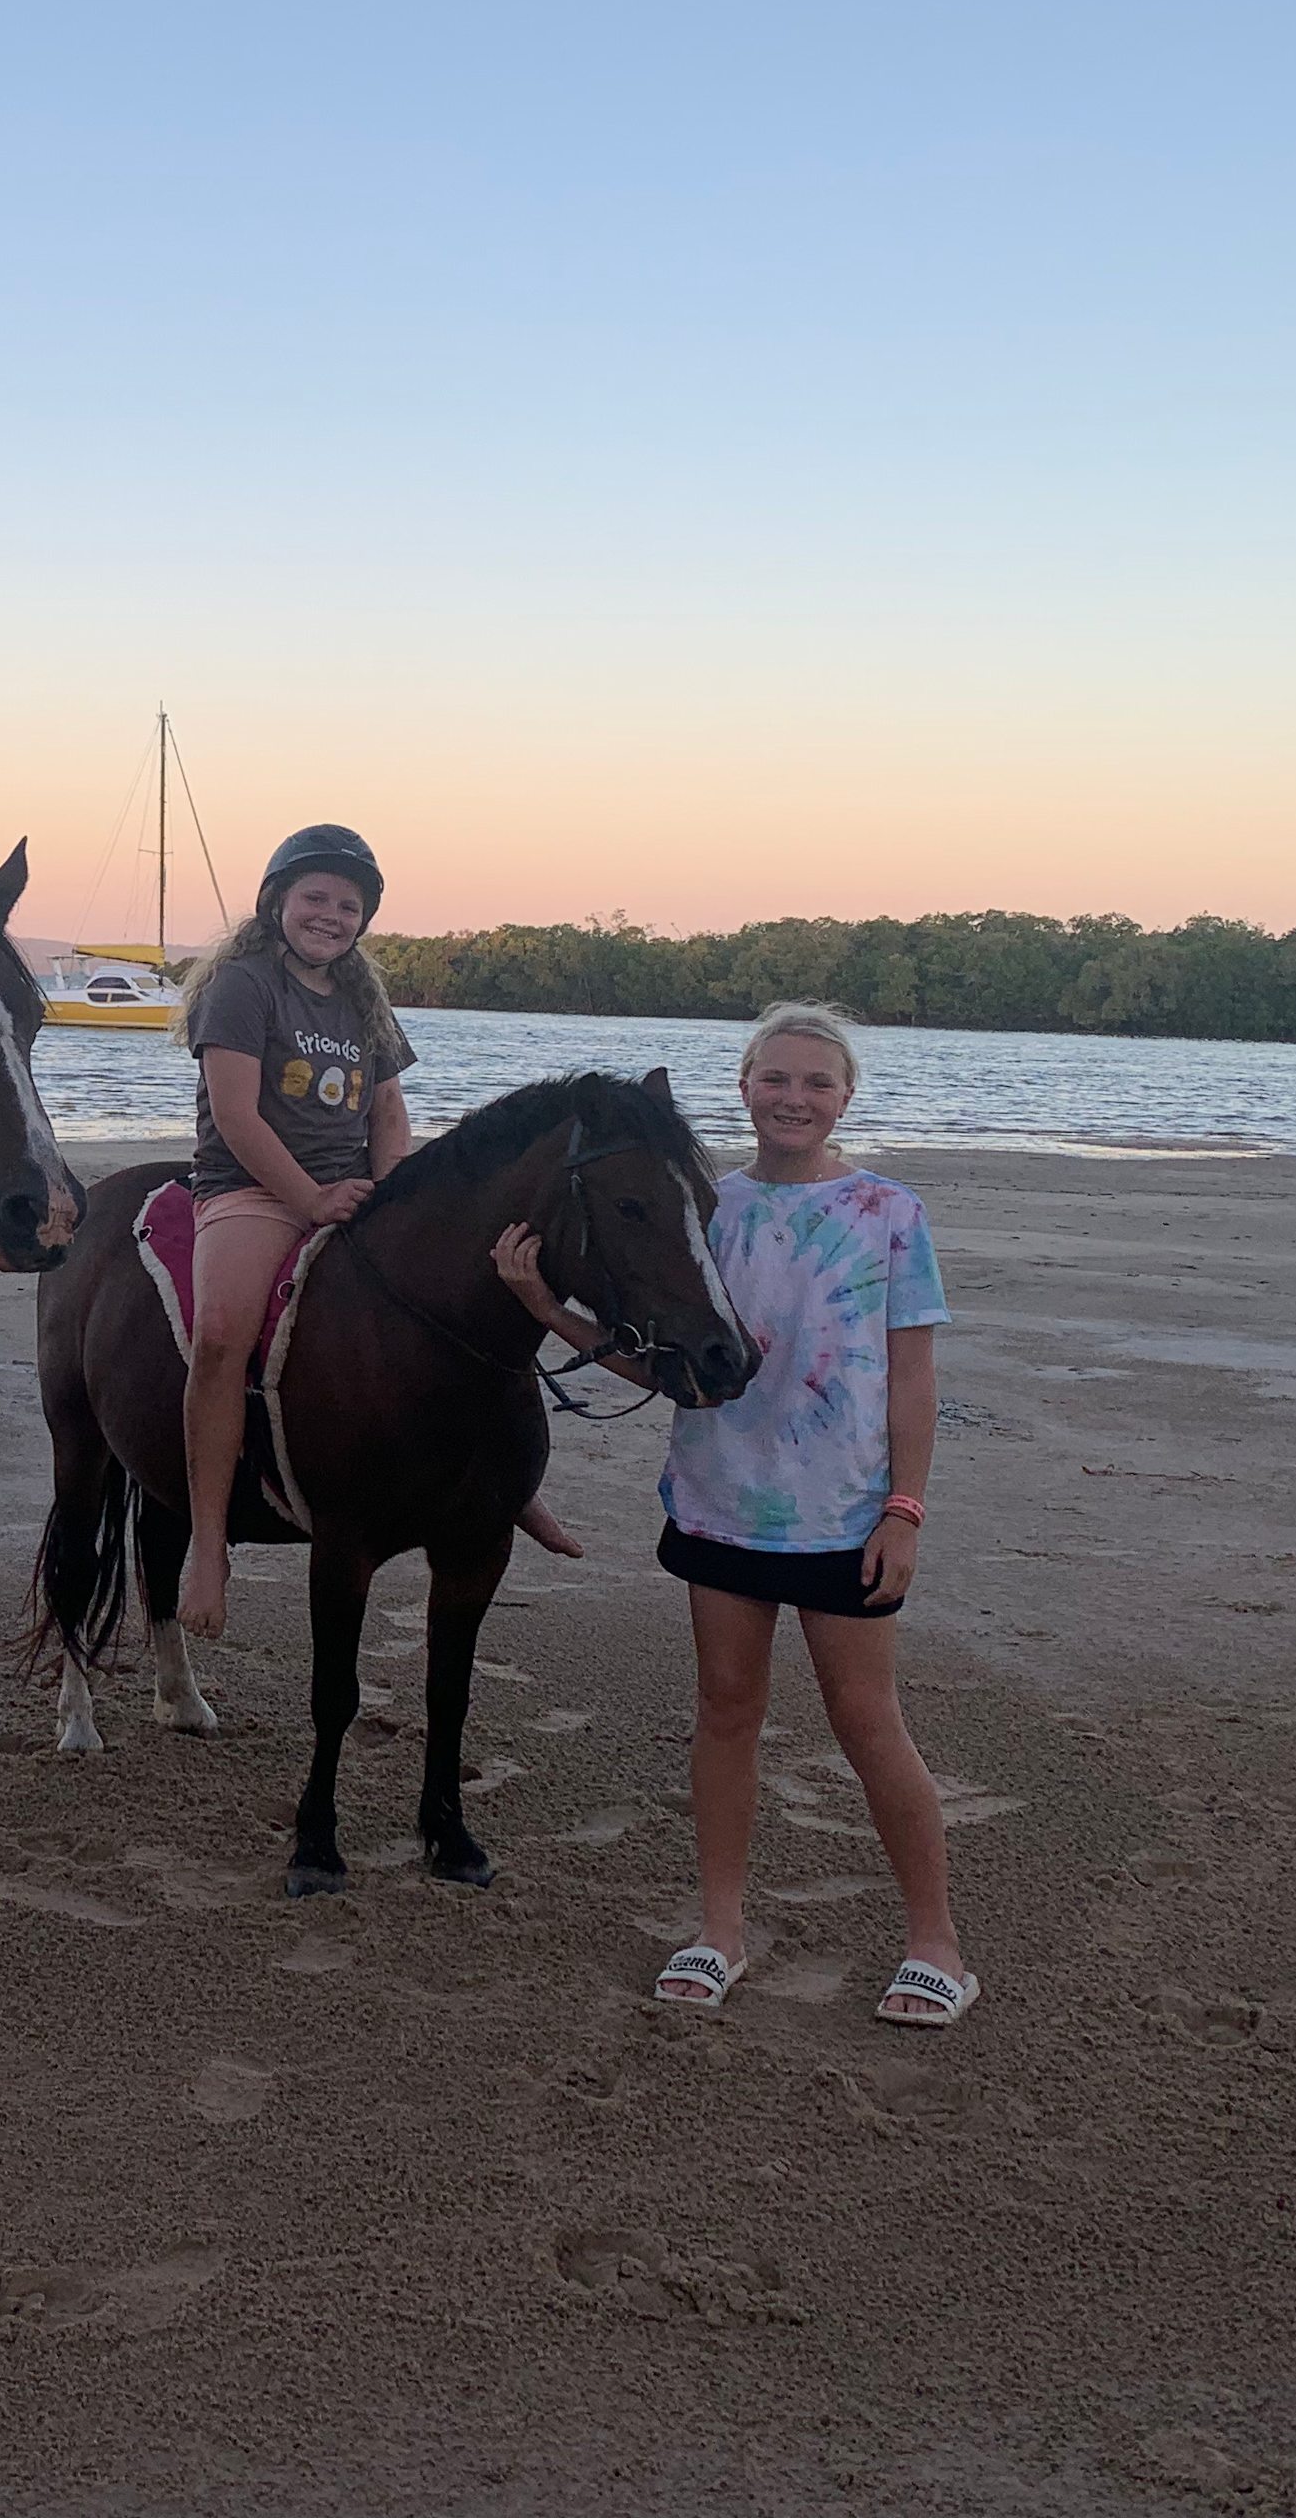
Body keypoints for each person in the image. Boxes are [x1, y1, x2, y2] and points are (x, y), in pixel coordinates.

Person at [487, 1000, 977, 2028]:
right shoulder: (710, 1209)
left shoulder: (889, 1212)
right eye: (775, 1078)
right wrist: (546, 1311)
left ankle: (936, 1943)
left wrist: (905, 1509)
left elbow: (914, 1379)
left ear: (846, 1098)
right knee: (724, 1711)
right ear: (745, 1087)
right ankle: (719, 1930)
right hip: (720, 1505)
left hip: (844, 1514)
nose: (793, 1098)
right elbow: (669, 1371)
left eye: (816, 1083)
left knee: (867, 1722)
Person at [174, 825, 414, 1642]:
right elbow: (237, 1117)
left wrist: (389, 1194)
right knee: (220, 1335)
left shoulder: (364, 1002)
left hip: (350, 1188)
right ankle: (209, 1544)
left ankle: (496, 1483)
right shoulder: (242, 986)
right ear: (278, 900)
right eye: (316, 897)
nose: (331, 915)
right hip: (255, 1191)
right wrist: (310, 1200)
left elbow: (387, 1112)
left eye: (349, 906)